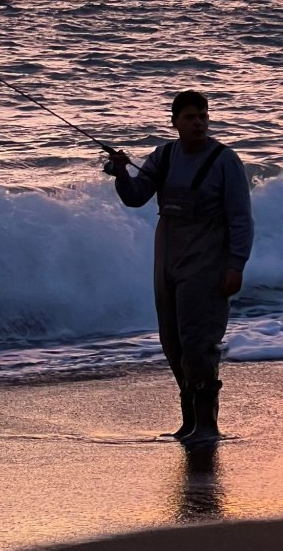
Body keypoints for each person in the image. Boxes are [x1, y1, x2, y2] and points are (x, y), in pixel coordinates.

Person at [106, 90, 253, 447]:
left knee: (198, 343)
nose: (199, 123)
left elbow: (241, 219)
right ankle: (188, 420)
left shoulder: (225, 160)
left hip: (207, 263)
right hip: (167, 261)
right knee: (172, 343)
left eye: (203, 116)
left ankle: (207, 424)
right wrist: (122, 173)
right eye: (190, 117)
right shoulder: (165, 155)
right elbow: (136, 197)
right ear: (174, 122)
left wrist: (236, 265)